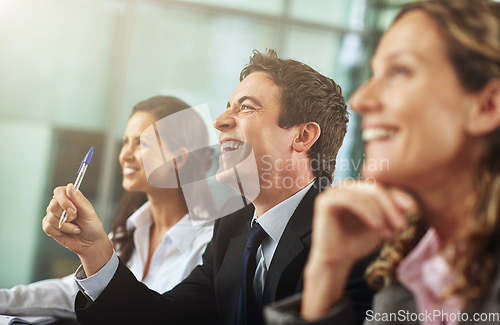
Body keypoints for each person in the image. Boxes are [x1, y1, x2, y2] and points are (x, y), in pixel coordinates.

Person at [42, 49, 374, 325]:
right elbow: (163, 319)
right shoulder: (231, 229)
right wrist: (95, 249)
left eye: (245, 107)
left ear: (302, 136)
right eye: (229, 106)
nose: (219, 121)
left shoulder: (352, 236)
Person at [265, 1, 500, 324]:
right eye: (375, 73)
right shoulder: (407, 272)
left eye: (399, 71)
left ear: (487, 106)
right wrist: (326, 272)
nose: (360, 100)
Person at [0, 95, 215, 321]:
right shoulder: (130, 230)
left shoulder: (207, 246)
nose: (125, 155)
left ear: (178, 158)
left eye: (141, 143)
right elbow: (74, 291)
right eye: (125, 142)